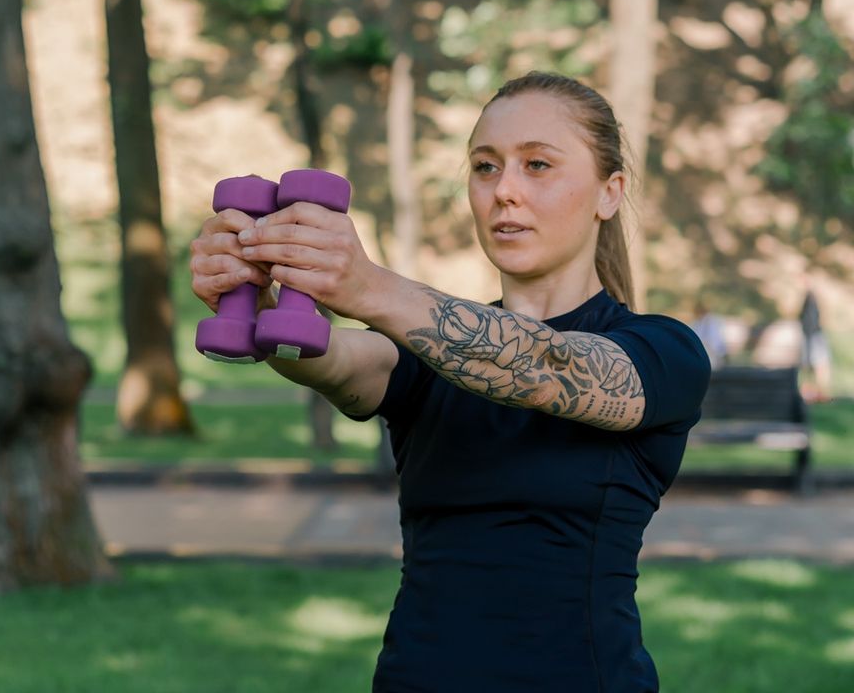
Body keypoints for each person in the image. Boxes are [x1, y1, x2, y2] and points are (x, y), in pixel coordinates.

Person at [189, 71, 710, 692]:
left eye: (537, 164)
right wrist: (258, 282)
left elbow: (548, 368)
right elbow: (334, 359)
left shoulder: (663, 352)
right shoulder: (420, 356)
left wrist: (368, 285)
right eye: (485, 167)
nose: (504, 191)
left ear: (609, 192)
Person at [799, 278, 832, 402]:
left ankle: (818, 392)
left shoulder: (810, 299)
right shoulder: (809, 299)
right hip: (810, 337)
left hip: (811, 336)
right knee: (817, 365)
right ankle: (814, 392)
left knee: (819, 365)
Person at [690, 298, 729, 369]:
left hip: (711, 353)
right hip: (706, 353)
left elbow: (714, 340)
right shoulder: (699, 323)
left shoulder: (710, 322)